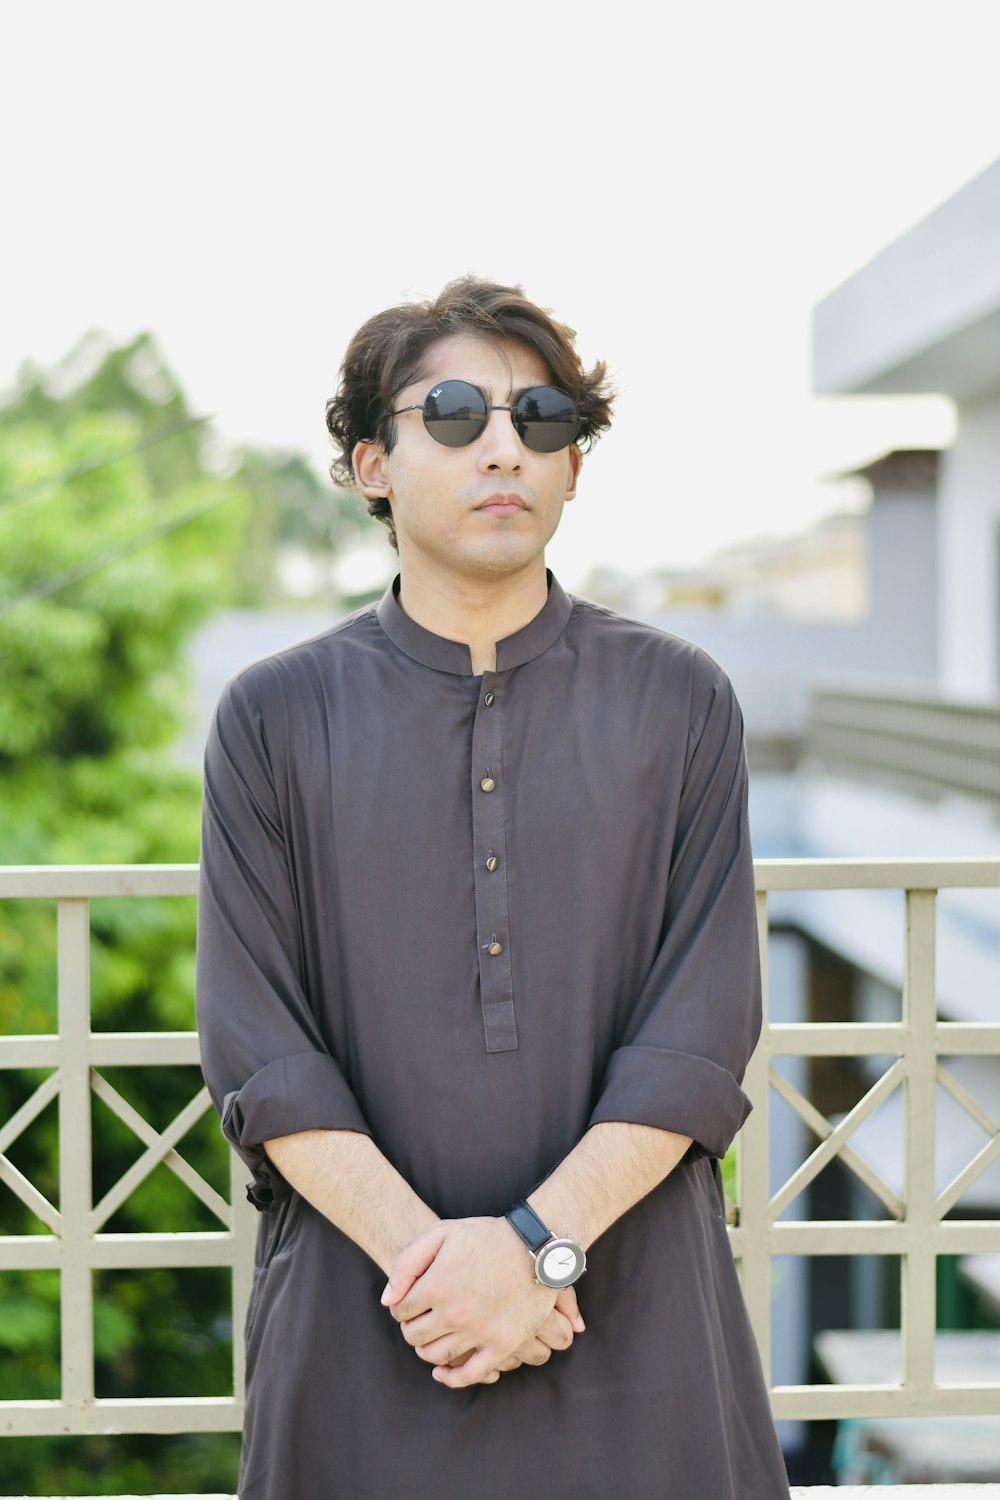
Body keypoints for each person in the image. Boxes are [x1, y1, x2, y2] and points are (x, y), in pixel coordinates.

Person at [195, 277, 790, 1499]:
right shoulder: (274, 715)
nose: (504, 449)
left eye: (544, 419)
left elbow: (699, 1027)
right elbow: (263, 1050)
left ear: (575, 464)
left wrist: (538, 1254)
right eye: (454, 415)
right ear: (370, 463)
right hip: (373, 1316)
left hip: (635, 1311)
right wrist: (452, 1275)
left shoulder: (679, 700)